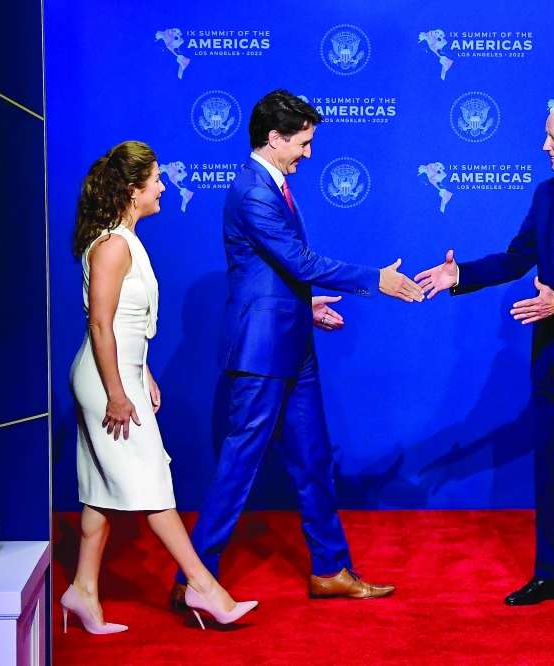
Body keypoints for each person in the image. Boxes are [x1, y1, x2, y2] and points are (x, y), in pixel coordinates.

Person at [172, 90, 422, 606]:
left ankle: (330, 570)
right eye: (303, 143)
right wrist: (377, 280)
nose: (309, 153)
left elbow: (274, 274)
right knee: (239, 467)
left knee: (312, 460)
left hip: (292, 341)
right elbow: (300, 263)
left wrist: (302, 308)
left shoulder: (273, 183)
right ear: (274, 138)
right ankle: (191, 581)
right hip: (262, 351)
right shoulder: (253, 192)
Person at [415, 99, 554, 611]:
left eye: (552, 138)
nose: (545, 147)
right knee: (551, 470)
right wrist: (461, 276)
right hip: (553, 360)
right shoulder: (546, 195)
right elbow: (518, 257)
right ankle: (550, 576)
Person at [65, 141, 257, 633]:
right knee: (154, 486)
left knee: (101, 493)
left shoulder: (127, 239)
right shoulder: (111, 244)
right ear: (133, 190)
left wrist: (142, 371)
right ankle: (204, 587)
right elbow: (101, 326)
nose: (163, 186)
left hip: (122, 372)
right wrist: (116, 391)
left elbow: (131, 324)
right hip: (105, 379)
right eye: (155, 179)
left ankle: (83, 590)